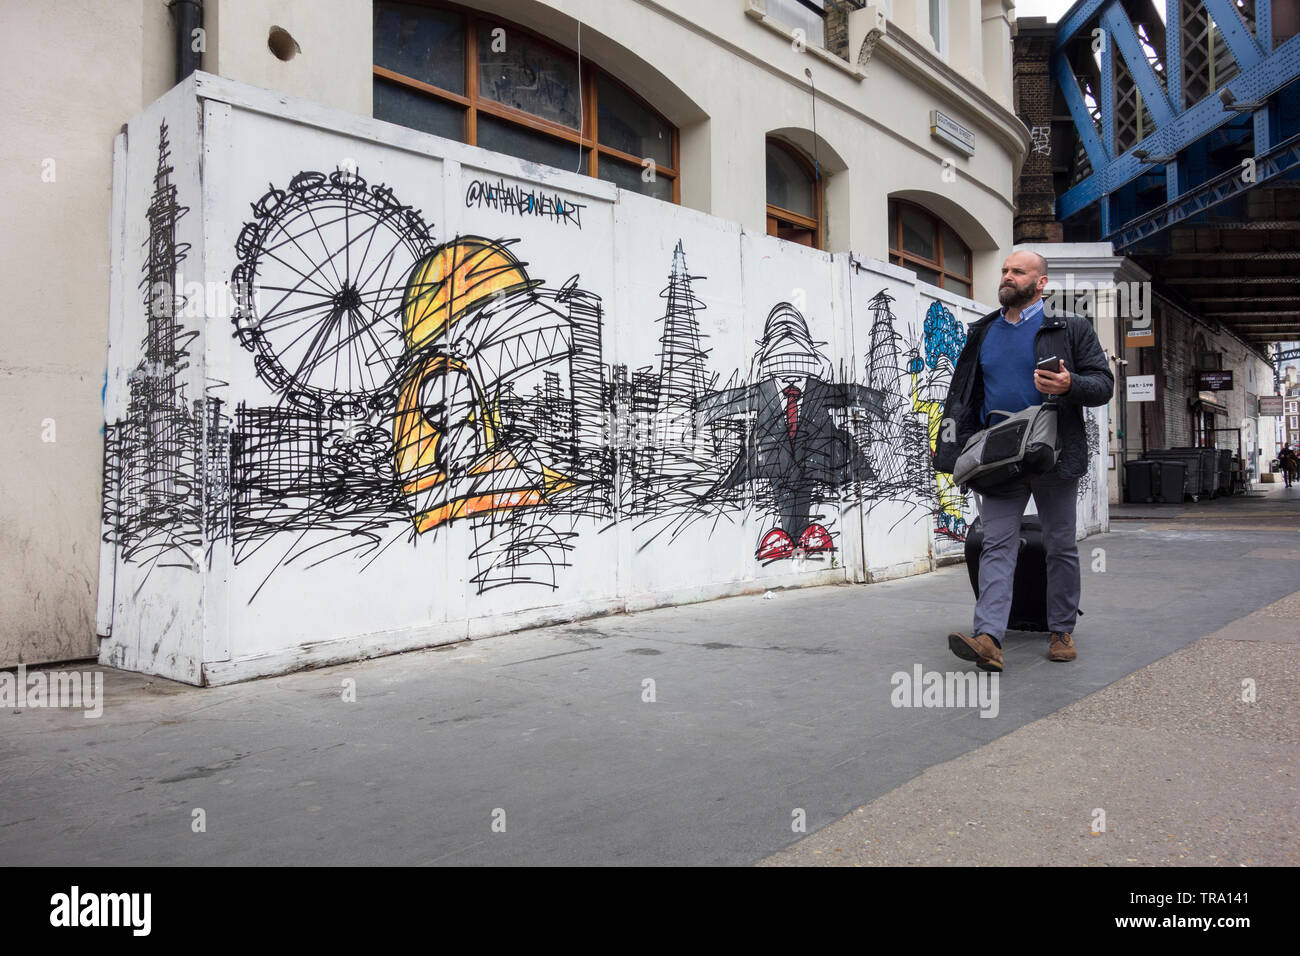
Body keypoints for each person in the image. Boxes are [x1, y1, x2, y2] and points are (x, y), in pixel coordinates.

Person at [932, 251, 1114, 671]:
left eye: (1018, 272)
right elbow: (965, 396)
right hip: (997, 458)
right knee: (996, 544)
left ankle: (1061, 629)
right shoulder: (983, 332)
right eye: (1005, 271)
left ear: (1041, 282)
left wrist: (1070, 384)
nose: (1008, 277)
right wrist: (960, 445)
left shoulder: (1070, 328)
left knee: (1060, 545)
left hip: (1052, 454)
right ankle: (989, 637)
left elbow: (1103, 384)